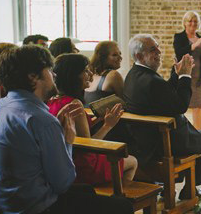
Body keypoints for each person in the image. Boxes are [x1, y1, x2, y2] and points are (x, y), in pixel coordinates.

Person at [0, 45, 144, 214]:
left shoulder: (0, 107)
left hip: (4, 206)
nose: (54, 76)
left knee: (87, 193)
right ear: (33, 77)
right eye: (49, 70)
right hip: (35, 212)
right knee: (120, 206)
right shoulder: (40, 119)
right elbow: (63, 182)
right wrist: (68, 141)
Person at [123, 34, 201, 200]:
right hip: (164, 142)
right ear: (139, 56)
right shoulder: (151, 80)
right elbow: (180, 105)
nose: (159, 51)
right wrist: (185, 76)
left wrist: (176, 74)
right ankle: (190, 190)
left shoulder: (133, 75)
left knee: (199, 136)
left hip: (143, 140)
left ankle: (170, 187)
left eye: (158, 47)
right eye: (153, 49)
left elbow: (164, 94)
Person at [47, 53, 137, 184]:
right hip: (83, 167)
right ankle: (118, 199)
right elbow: (87, 146)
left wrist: (97, 120)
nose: (90, 73)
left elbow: (75, 133)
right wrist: (108, 125)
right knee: (133, 161)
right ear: (72, 76)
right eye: (85, 70)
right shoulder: (74, 103)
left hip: (64, 161)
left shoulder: (52, 100)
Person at [172, 11, 201, 130]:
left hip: (198, 76)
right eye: (190, 21)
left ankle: (198, 134)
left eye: (195, 21)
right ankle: (182, 133)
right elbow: (179, 52)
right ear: (185, 23)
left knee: (197, 107)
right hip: (184, 75)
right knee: (181, 106)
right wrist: (193, 46)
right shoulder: (179, 37)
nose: (192, 23)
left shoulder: (200, 38)